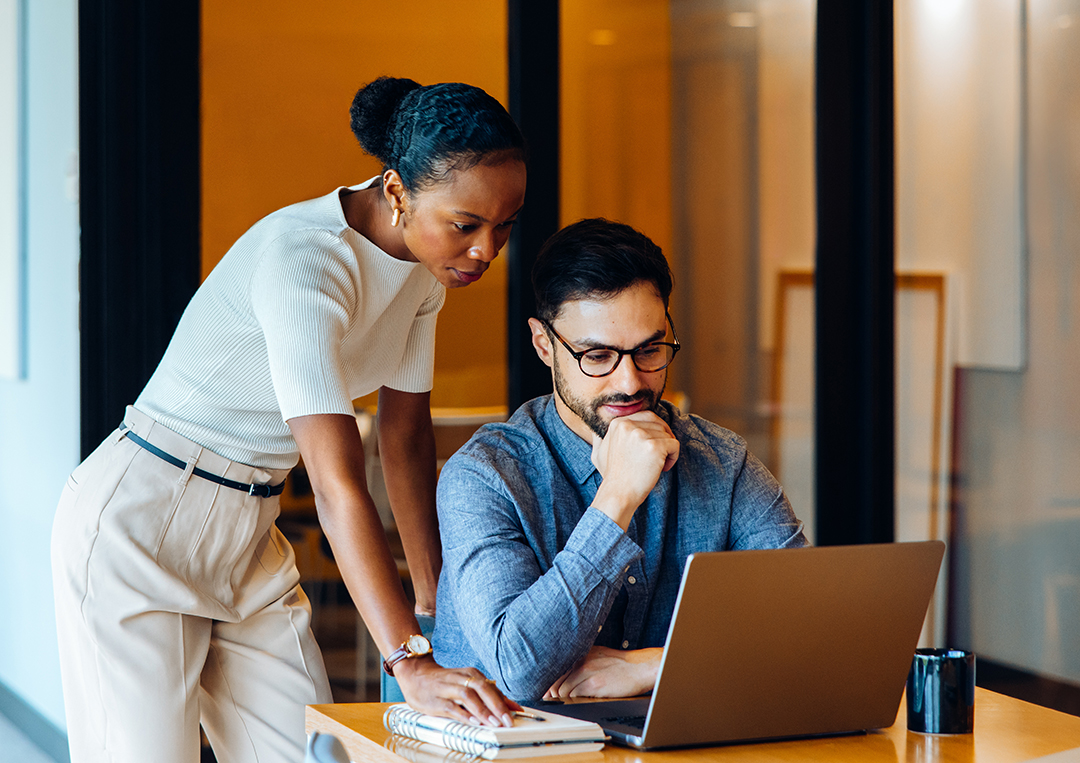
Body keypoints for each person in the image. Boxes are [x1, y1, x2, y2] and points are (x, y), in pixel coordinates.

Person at [51, 77, 526, 763]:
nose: (487, 249)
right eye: (466, 225)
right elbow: (336, 485)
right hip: (142, 523)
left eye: (505, 224)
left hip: (249, 526)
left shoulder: (425, 272)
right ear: (396, 192)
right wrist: (407, 659)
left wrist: (433, 603)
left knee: (312, 752)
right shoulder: (305, 261)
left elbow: (404, 437)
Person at [432, 218, 808, 703]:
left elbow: (806, 626)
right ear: (544, 345)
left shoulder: (722, 462)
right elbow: (517, 670)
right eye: (598, 355)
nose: (630, 382)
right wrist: (618, 497)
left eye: (649, 349)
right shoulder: (486, 476)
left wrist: (652, 665)